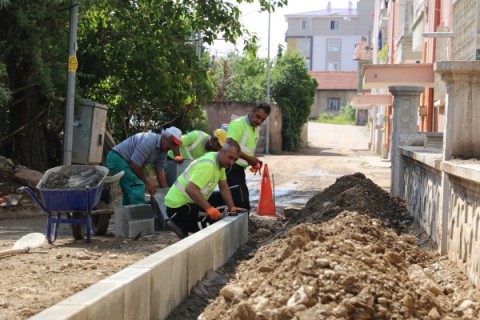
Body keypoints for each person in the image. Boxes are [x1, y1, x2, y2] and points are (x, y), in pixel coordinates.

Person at [165, 141, 245, 238]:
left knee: (234, 193)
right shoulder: (209, 165)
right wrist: (209, 208)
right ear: (222, 152)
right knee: (211, 226)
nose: (231, 162)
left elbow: (224, 187)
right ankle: (179, 225)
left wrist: (232, 207)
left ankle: (201, 215)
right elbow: (190, 189)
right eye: (230, 157)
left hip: (191, 200)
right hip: (178, 208)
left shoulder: (221, 162)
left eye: (235, 160)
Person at [106, 126, 182, 205]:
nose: (171, 147)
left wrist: (167, 194)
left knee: (129, 192)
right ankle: (140, 216)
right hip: (117, 158)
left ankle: (128, 215)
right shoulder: (149, 141)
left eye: (174, 146)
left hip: (125, 161)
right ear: (164, 137)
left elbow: (160, 172)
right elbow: (135, 165)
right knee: (137, 186)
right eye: (171, 143)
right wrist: (146, 183)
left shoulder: (163, 151)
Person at [224, 102, 271, 211]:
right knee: (241, 204)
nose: (259, 121)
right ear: (252, 111)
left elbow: (248, 150)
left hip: (239, 170)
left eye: (262, 119)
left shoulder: (255, 129)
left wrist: (255, 160)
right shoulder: (238, 124)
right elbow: (230, 145)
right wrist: (249, 159)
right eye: (258, 117)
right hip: (231, 168)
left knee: (240, 202)